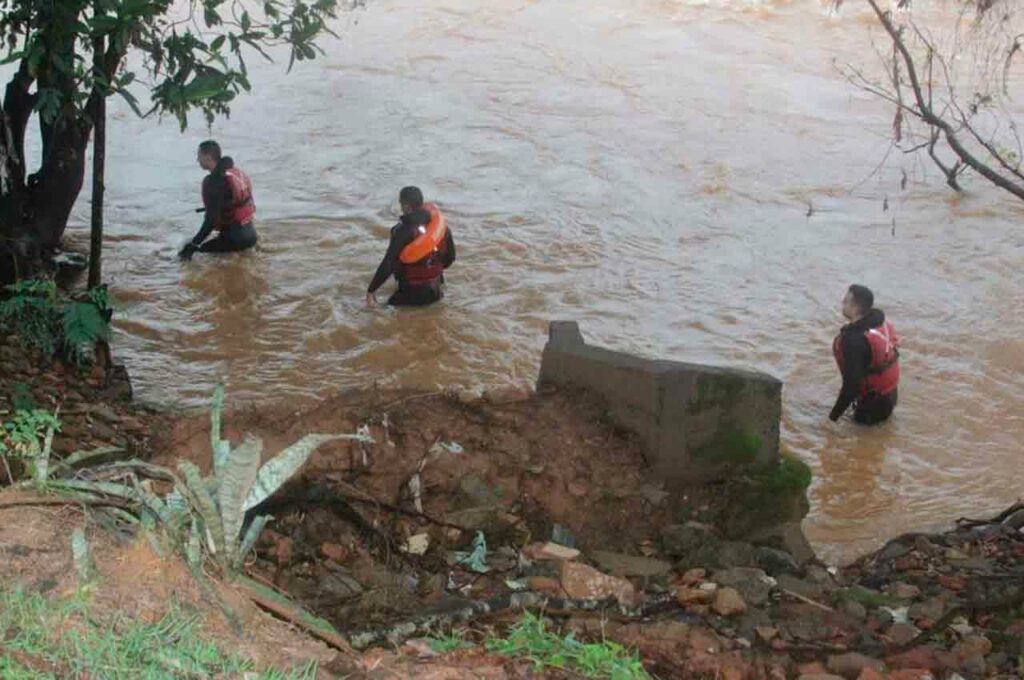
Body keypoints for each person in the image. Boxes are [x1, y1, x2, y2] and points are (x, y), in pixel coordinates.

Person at [366, 186, 456, 307]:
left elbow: (388, 264)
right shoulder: (442, 229)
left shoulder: (402, 231)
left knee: (379, 312)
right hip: (436, 292)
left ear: (406, 207)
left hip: (410, 294)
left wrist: (371, 291)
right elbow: (450, 258)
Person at [830, 284, 900, 425]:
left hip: (872, 406)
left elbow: (851, 386)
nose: (842, 303)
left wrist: (832, 419)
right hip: (890, 395)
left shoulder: (853, 340)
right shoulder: (879, 322)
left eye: (845, 300)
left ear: (854, 307)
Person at [178, 141, 258, 261]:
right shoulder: (233, 172)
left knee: (194, 255)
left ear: (207, 157)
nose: (197, 160)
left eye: (199, 156)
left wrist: (193, 246)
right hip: (251, 235)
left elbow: (210, 221)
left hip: (235, 238)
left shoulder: (215, 182)